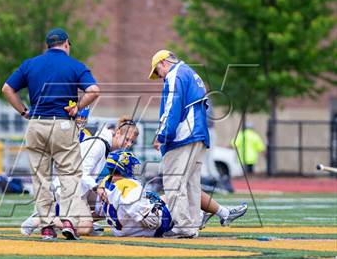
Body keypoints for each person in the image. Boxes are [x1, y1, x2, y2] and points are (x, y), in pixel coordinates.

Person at [2, 27, 100, 240]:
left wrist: (24, 111)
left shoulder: (30, 64)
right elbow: (93, 90)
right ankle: (68, 222)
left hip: (36, 124)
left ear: (49, 45)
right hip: (63, 125)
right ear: (66, 43)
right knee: (70, 176)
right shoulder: (75, 65)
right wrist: (77, 107)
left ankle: (46, 226)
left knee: (40, 177)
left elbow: (7, 89)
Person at [20, 116, 140, 237]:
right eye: (127, 139)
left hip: (79, 187)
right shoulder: (99, 144)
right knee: (86, 228)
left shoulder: (105, 145)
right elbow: (81, 171)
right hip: (70, 188)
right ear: (118, 132)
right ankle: (42, 220)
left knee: (112, 199)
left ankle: (82, 220)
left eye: (132, 141)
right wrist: (96, 187)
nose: (129, 144)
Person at [96, 150, 247, 237]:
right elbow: (147, 218)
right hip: (150, 228)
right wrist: (156, 210)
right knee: (188, 191)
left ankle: (204, 215)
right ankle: (215, 215)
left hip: (125, 231)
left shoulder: (107, 185)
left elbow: (99, 212)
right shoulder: (128, 185)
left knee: (169, 196)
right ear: (123, 167)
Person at [149, 50, 210, 238]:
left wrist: (163, 135)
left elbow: (172, 108)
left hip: (184, 135)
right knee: (191, 183)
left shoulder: (174, 75)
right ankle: (191, 225)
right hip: (198, 134)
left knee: (174, 181)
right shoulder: (190, 72)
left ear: (163, 63)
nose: (160, 77)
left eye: (158, 72)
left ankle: (183, 226)